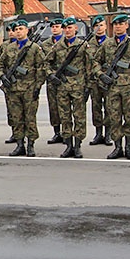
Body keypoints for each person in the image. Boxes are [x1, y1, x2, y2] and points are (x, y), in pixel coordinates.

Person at [95, 14, 130, 160]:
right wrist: (101, 74)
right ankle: (117, 147)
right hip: (112, 87)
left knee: (129, 117)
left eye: (121, 24)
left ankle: (129, 147)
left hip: (129, 86)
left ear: (127, 26)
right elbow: (95, 61)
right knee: (114, 118)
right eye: (115, 24)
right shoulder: (107, 44)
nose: (118, 26)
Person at [0, 19, 45, 157]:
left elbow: (41, 68)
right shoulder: (9, 48)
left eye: (21, 29)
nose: (18, 32)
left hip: (29, 88)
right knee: (16, 118)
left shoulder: (34, 48)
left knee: (29, 118)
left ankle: (30, 145)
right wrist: (2, 76)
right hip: (13, 89)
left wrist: (37, 87)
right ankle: (19, 144)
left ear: (27, 30)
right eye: (16, 30)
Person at [46, 17, 91, 158]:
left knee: (79, 117)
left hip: (78, 86)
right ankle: (68, 145)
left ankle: (77, 146)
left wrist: (88, 87)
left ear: (76, 29)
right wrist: (52, 75)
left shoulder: (83, 45)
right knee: (65, 117)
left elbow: (89, 67)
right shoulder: (57, 46)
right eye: (65, 28)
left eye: (70, 28)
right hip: (62, 87)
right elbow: (46, 63)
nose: (67, 30)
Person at [86, 15, 112, 146]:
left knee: (108, 107)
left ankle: (108, 134)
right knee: (96, 107)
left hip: (106, 80)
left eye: (101, 25)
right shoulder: (88, 44)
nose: (99, 28)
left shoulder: (111, 43)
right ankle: (98, 133)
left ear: (106, 27)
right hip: (93, 81)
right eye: (96, 26)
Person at [42, 18, 65, 144]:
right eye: (53, 27)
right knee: (53, 107)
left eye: (57, 26)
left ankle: (66, 133)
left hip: (65, 80)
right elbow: (44, 62)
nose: (55, 28)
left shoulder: (66, 42)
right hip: (51, 79)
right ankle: (57, 132)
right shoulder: (45, 44)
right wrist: (50, 75)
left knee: (65, 108)